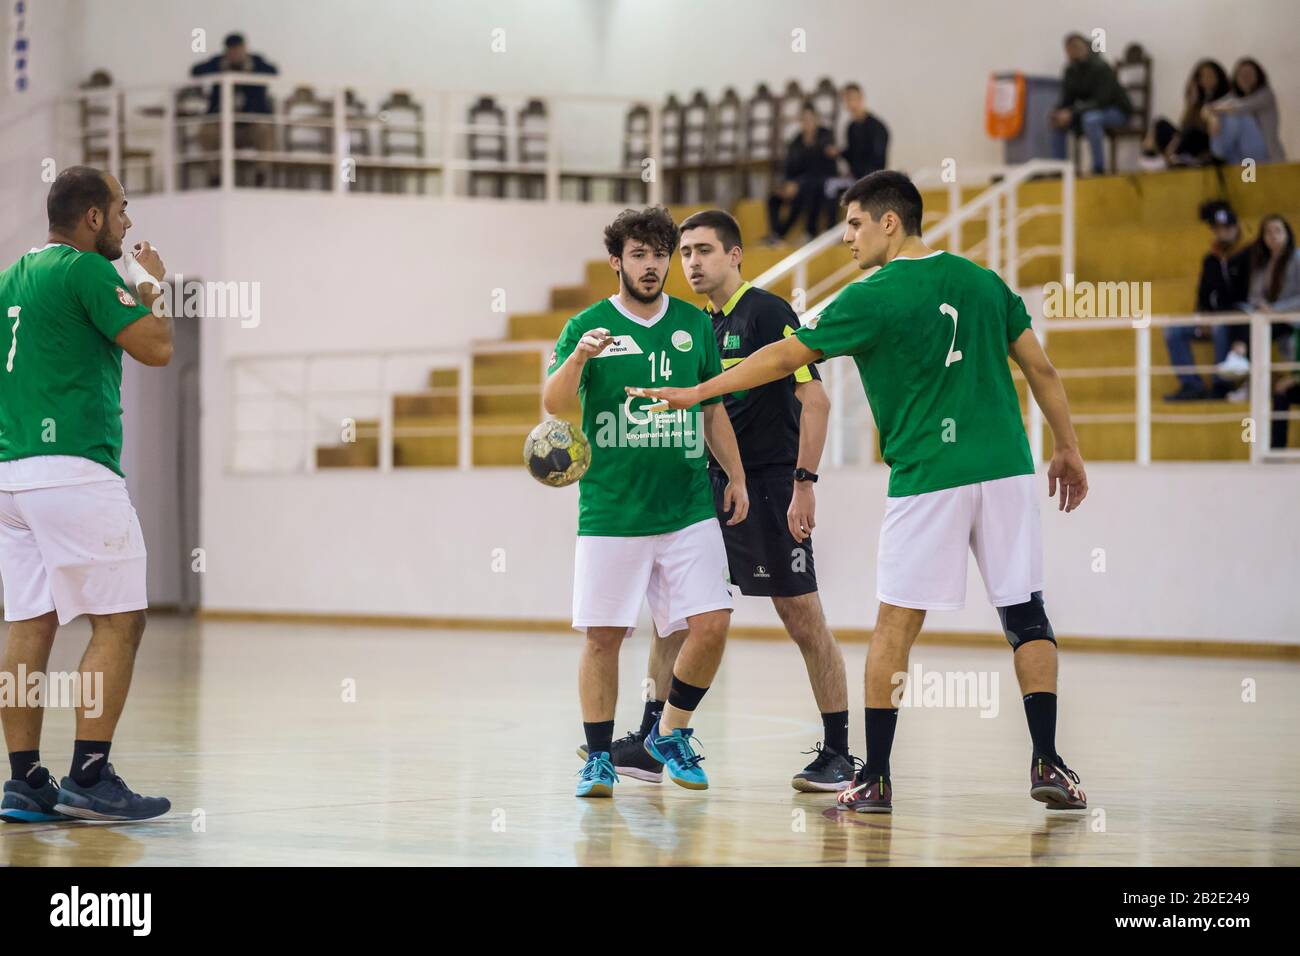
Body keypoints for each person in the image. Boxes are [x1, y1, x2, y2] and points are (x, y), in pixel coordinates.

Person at [631, 171, 1091, 814]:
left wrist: (696, 392)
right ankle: (1049, 760)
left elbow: (781, 360)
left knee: (894, 628)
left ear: (889, 223)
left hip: (929, 479)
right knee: (1026, 614)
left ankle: (873, 776)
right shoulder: (986, 282)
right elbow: (1040, 368)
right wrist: (1067, 448)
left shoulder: (869, 295)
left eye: (852, 223)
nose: (846, 237)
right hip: (1010, 470)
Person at [576, 210, 854, 791]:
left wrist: (804, 483)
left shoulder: (768, 312)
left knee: (801, 615)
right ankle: (657, 737)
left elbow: (817, 403)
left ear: (735, 256)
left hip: (771, 485)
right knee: (673, 620)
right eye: (686, 253)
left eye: (704, 251)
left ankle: (838, 751)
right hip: (712, 488)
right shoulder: (704, 325)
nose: (692, 263)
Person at [543, 207, 747, 797]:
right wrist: (579, 357)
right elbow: (554, 404)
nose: (653, 265)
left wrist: (733, 474)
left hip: (686, 507)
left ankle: (668, 731)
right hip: (611, 511)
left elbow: (711, 408)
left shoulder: (692, 324)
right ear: (617, 262)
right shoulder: (588, 326)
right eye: (640, 254)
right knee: (603, 637)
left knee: (711, 623)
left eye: (661, 254)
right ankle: (600, 758)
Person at [0, 166, 173, 823]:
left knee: (29, 622)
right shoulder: (86, 270)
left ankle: (23, 782)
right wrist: (152, 282)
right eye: (121, 210)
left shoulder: (10, 278)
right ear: (93, 217)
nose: (128, 223)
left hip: (10, 473)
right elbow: (157, 347)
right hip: (74, 470)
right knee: (120, 620)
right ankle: (91, 776)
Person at [1163, 201, 1250, 401]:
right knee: (1173, 330)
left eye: (1226, 228)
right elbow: (1203, 295)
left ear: (1236, 228)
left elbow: (1246, 297)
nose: (1222, 233)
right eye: (1217, 229)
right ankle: (1191, 384)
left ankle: (1221, 384)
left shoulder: (1246, 256)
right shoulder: (1209, 260)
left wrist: (1217, 317)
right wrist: (1201, 317)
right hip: (1211, 318)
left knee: (1220, 325)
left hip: (1236, 321)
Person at [190, 32, 279, 185]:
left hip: (250, 124)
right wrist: (221, 68)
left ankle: (261, 174)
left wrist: (249, 68)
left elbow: (273, 71)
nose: (235, 54)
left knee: (265, 130)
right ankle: (215, 177)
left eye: (239, 50)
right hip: (223, 125)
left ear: (245, 48)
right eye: (232, 50)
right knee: (206, 132)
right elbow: (195, 71)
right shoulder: (218, 62)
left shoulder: (256, 61)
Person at [1049, 33, 1132, 175]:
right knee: (1057, 121)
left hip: (1115, 111)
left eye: (1077, 47)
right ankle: (1059, 170)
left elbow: (1102, 100)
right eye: (1071, 48)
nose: (1075, 51)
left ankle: (1098, 169)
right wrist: (1059, 112)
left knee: (1091, 119)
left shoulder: (1101, 67)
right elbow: (1067, 99)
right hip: (1086, 111)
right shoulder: (1070, 71)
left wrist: (1072, 112)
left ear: (1086, 46)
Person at [766, 103, 838, 243]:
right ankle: (776, 234)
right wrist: (787, 184)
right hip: (799, 183)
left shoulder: (826, 136)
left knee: (806, 191)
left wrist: (798, 183)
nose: (807, 123)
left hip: (820, 182)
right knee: (773, 199)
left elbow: (824, 166)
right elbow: (789, 167)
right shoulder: (796, 142)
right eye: (803, 120)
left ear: (816, 119)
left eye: (810, 119)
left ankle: (808, 231)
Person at [1145, 60, 1229, 167]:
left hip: (1209, 144)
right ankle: (1158, 157)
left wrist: (1210, 116)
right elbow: (1183, 129)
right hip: (1187, 143)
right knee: (1160, 124)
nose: (1206, 79)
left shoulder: (1224, 98)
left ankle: (1174, 158)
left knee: (1192, 133)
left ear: (1218, 77)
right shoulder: (1198, 101)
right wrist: (1193, 102)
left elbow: (1207, 128)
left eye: (1210, 75)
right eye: (1202, 76)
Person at [1206, 58, 1285, 165]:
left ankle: (1219, 155)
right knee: (1225, 119)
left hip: (1268, 157)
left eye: (1249, 74)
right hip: (1243, 159)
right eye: (1241, 75)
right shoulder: (1233, 98)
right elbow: (1208, 108)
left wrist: (1215, 111)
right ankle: (1218, 156)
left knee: (1236, 118)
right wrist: (1213, 118)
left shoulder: (1266, 95)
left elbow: (1240, 107)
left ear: (1258, 76)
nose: (1245, 78)